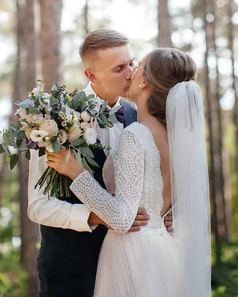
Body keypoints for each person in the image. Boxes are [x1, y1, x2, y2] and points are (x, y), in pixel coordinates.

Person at [47, 48, 211, 297]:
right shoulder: (178, 141)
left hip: (132, 255)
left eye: (138, 66)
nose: (130, 72)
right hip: (163, 251)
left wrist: (76, 172)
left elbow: (122, 220)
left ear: (144, 80)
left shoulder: (136, 135)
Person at [27, 30, 170, 297]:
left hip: (130, 263)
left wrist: (166, 213)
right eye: (119, 68)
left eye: (132, 63)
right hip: (69, 268)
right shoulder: (53, 120)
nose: (130, 73)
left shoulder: (141, 116)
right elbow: (38, 207)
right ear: (91, 75)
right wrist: (94, 216)